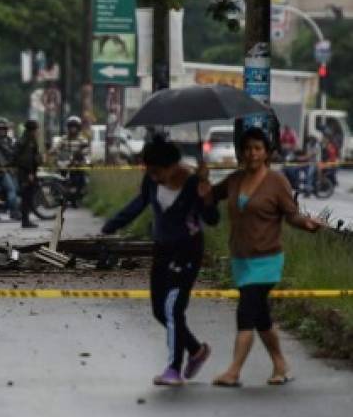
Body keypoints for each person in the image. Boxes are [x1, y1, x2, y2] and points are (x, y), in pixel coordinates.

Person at [200, 128, 322, 387]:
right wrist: (202, 182)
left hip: (267, 260)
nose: (251, 153)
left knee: (246, 311)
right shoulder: (234, 180)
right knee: (261, 316)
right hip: (241, 258)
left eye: (257, 148)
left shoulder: (276, 182)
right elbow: (210, 197)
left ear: (266, 152)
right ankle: (281, 364)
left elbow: (291, 214)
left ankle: (234, 371)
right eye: (247, 149)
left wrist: (307, 224)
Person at [102, 137, 219, 386]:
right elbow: (140, 203)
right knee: (159, 310)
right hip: (162, 249)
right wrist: (112, 225)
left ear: (174, 166)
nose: (154, 177)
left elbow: (213, 219)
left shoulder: (193, 183)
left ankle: (174, 369)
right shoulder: (151, 180)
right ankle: (196, 350)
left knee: (173, 308)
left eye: (158, 171)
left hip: (187, 251)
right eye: (149, 171)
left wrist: (208, 198)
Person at [51, 115, 91, 206]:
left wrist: (81, 156)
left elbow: (86, 150)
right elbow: (56, 147)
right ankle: (56, 193)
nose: (73, 129)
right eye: (71, 127)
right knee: (56, 176)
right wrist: (52, 151)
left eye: (75, 127)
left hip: (76, 163)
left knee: (81, 175)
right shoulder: (64, 139)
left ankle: (79, 193)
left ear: (78, 128)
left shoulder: (82, 139)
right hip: (64, 163)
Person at [15, 120, 42, 229]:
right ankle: (25, 220)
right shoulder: (28, 140)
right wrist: (30, 172)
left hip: (25, 172)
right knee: (26, 197)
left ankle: (26, 219)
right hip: (26, 173)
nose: (37, 131)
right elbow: (27, 158)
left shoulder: (26, 138)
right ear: (32, 130)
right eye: (36, 129)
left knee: (27, 196)